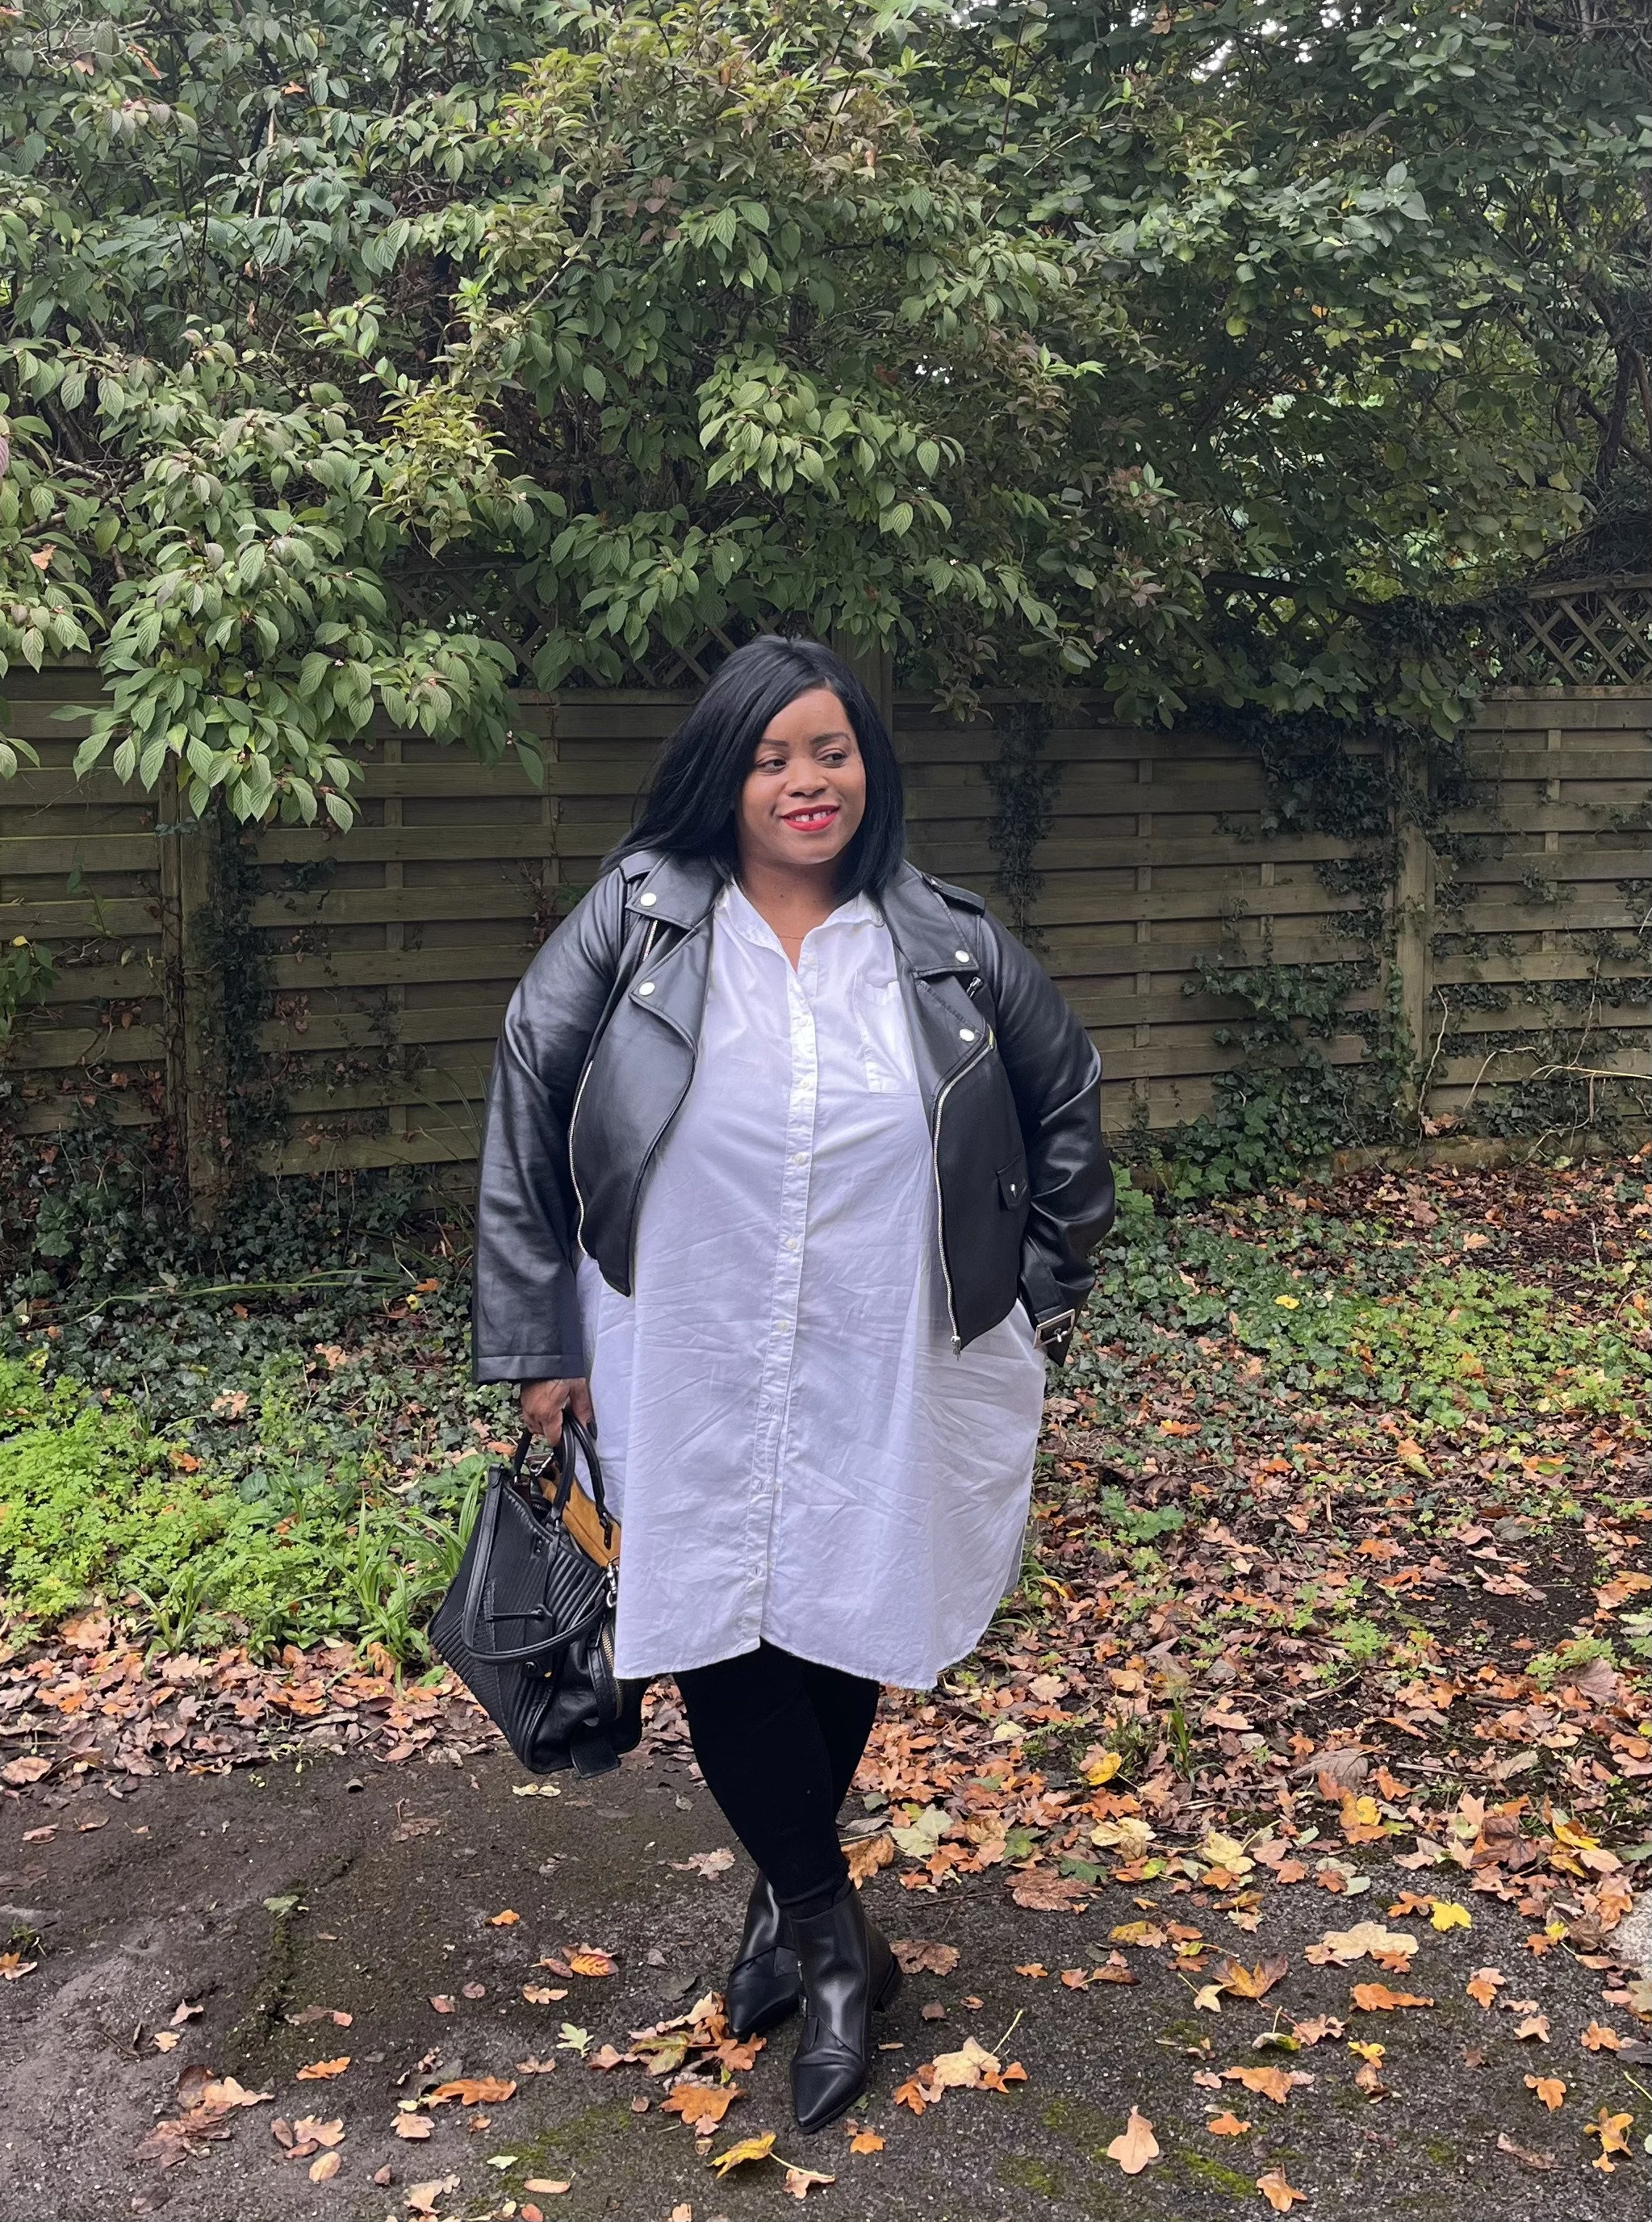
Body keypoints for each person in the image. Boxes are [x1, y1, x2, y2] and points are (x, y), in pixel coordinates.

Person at [473, 634, 1114, 2131]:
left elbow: (1065, 1102)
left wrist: (1035, 1296)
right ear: (724, 771)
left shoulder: (944, 940)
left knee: (839, 1600)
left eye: (829, 750)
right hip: (676, 1336)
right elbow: (528, 1097)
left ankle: (782, 1916)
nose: (804, 780)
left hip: (891, 1342)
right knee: (710, 1619)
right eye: (771, 755)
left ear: (868, 768)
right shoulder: (638, 917)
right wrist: (537, 1343)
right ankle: (836, 1946)